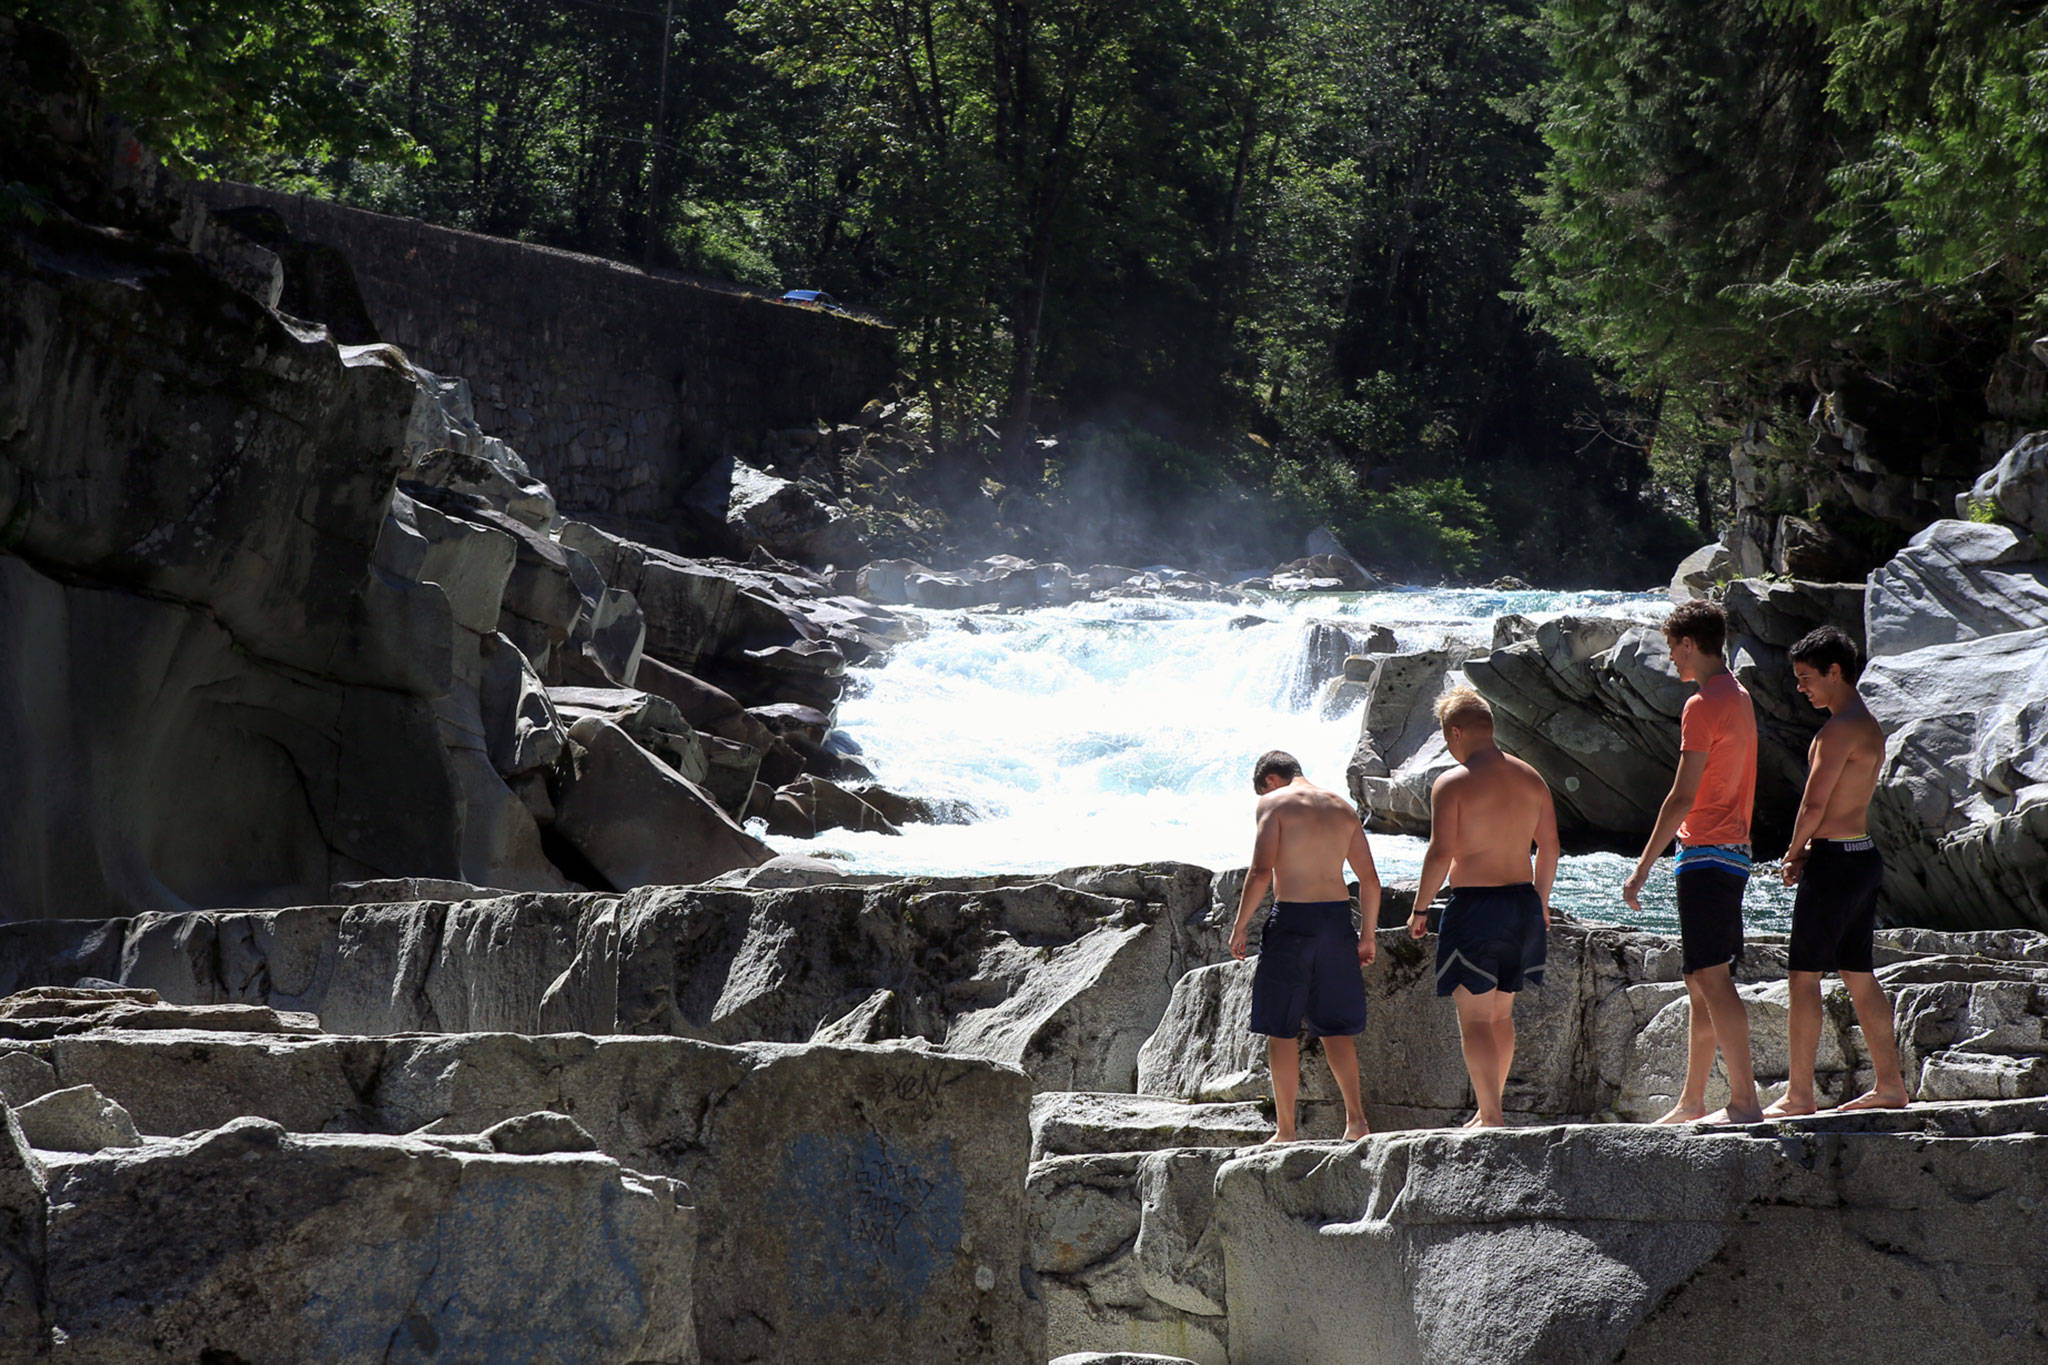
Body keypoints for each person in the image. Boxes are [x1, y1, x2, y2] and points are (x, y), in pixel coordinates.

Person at [1621, 599, 1763, 1125]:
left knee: (1712, 977)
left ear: (1688, 643)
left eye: (1672, 648)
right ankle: (1692, 1099)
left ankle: (1745, 1099)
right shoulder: (1740, 696)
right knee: (1701, 980)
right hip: (1733, 852)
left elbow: (1682, 796)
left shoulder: (1702, 704)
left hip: (1704, 851)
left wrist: (1640, 868)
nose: (1672, 659)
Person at [1765, 625, 1910, 1115]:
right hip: (1862, 855)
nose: (1801, 688)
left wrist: (1793, 851)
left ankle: (1798, 1095)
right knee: (1858, 972)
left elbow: (1814, 802)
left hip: (1834, 862)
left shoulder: (1837, 731)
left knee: (1803, 976)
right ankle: (1890, 1087)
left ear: (1835, 672)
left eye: (1807, 678)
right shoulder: (1867, 725)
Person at [1407, 686, 1560, 1128]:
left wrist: (1420, 909)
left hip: (1475, 907)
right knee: (1500, 1015)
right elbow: (1549, 849)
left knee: (1474, 1019)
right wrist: (1541, 902)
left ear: (1455, 733)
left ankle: (1490, 1114)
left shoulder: (1451, 783)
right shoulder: (1532, 778)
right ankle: (1489, 1110)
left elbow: (1440, 853)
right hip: (1522, 905)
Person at [1228, 750, 1381, 1143]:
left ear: (1270, 781)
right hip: (1336, 922)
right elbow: (1369, 880)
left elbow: (1262, 870)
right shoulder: (1342, 807)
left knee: (1281, 1028)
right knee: (1336, 1028)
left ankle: (1286, 1131)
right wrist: (1367, 935)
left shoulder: (1273, 803)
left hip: (1293, 920)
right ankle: (1356, 1122)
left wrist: (1241, 925)